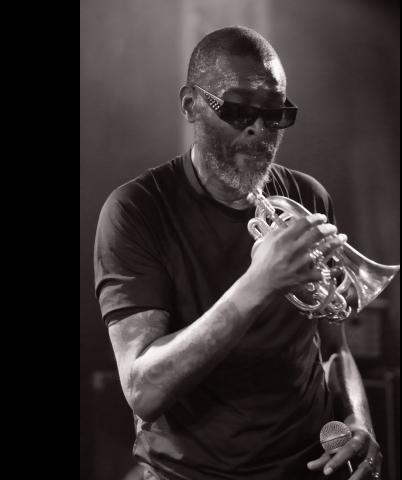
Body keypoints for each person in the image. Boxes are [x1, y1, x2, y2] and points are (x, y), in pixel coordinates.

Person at [94, 26, 382, 480]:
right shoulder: (136, 210)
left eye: (275, 114)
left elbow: (333, 348)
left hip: (305, 467)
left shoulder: (309, 196)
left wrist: (359, 418)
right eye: (238, 109)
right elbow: (142, 391)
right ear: (191, 104)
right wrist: (258, 283)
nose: (259, 129)